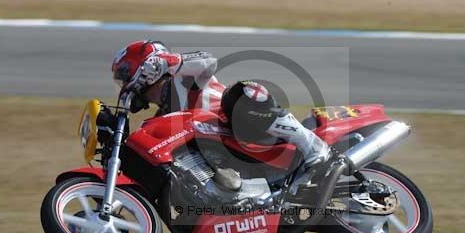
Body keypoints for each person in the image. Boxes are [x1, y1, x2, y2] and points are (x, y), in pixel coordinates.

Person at [112, 40, 330, 168]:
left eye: (124, 75)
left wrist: (168, 62)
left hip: (252, 129)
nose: (123, 85)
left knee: (239, 93)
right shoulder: (160, 120)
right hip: (232, 157)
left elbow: (208, 62)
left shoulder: (184, 79)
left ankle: (311, 145)